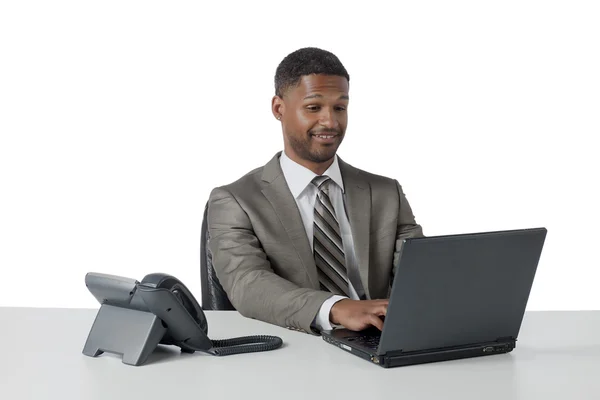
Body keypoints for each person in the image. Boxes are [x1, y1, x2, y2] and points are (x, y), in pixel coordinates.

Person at [207, 47, 424, 335]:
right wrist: (336, 308)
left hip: (379, 343)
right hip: (293, 347)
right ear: (278, 108)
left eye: (340, 108)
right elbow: (248, 284)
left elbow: (420, 275)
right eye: (313, 107)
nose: (331, 122)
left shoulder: (386, 193)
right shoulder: (235, 200)